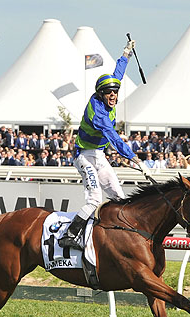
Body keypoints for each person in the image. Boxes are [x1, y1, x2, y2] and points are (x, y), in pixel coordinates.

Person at [59, 38, 146, 250]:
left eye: (115, 92)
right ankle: (69, 236)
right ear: (101, 94)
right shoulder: (98, 113)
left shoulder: (109, 94)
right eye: (109, 93)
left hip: (98, 156)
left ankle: (119, 237)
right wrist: (134, 159)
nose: (114, 96)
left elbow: (117, 74)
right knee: (95, 199)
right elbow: (115, 139)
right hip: (84, 157)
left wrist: (126, 54)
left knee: (119, 196)